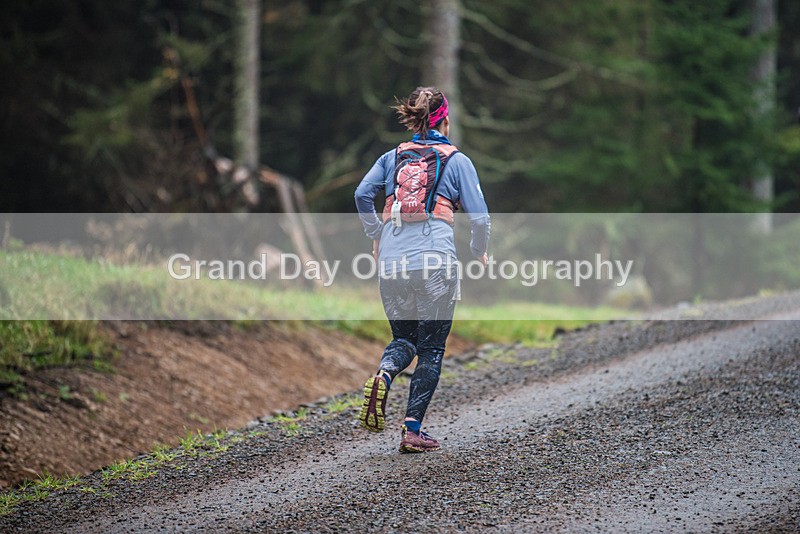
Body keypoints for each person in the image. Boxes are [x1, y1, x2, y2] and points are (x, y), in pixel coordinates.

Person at [354, 86, 490, 453]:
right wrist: (479, 251)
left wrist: (376, 234)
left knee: (404, 340)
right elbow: (481, 218)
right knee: (430, 348)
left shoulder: (391, 157)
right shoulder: (457, 160)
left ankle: (384, 373)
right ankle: (412, 431)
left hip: (392, 263)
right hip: (435, 264)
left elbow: (361, 195)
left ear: (413, 119)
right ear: (445, 120)